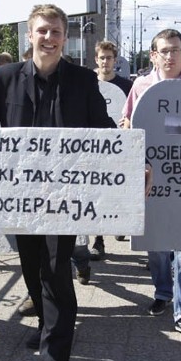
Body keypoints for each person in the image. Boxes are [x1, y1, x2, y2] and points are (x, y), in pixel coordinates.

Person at [0, 4, 116, 361]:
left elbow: (105, 130)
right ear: (29, 36)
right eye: (41, 31)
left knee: (55, 267)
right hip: (19, 196)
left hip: (65, 197)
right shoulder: (6, 76)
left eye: (54, 32)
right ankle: (46, 323)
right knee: (31, 266)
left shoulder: (84, 80)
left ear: (64, 37)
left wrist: (140, 162)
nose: (47, 38)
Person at [121, 28, 181, 338]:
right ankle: (162, 292)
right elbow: (128, 123)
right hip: (151, 178)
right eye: (165, 51)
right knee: (157, 244)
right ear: (154, 56)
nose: (171, 56)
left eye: (176, 50)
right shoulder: (141, 86)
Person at [80, 41, 134, 266]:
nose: (105, 62)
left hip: (117, 147)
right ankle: (98, 239)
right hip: (92, 148)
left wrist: (127, 123)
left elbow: (133, 113)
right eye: (102, 58)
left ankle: (118, 224)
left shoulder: (125, 85)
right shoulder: (86, 83)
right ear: (96, 59)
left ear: (115, 60)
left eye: (109, 58)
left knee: (114, 193)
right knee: (95, 194)